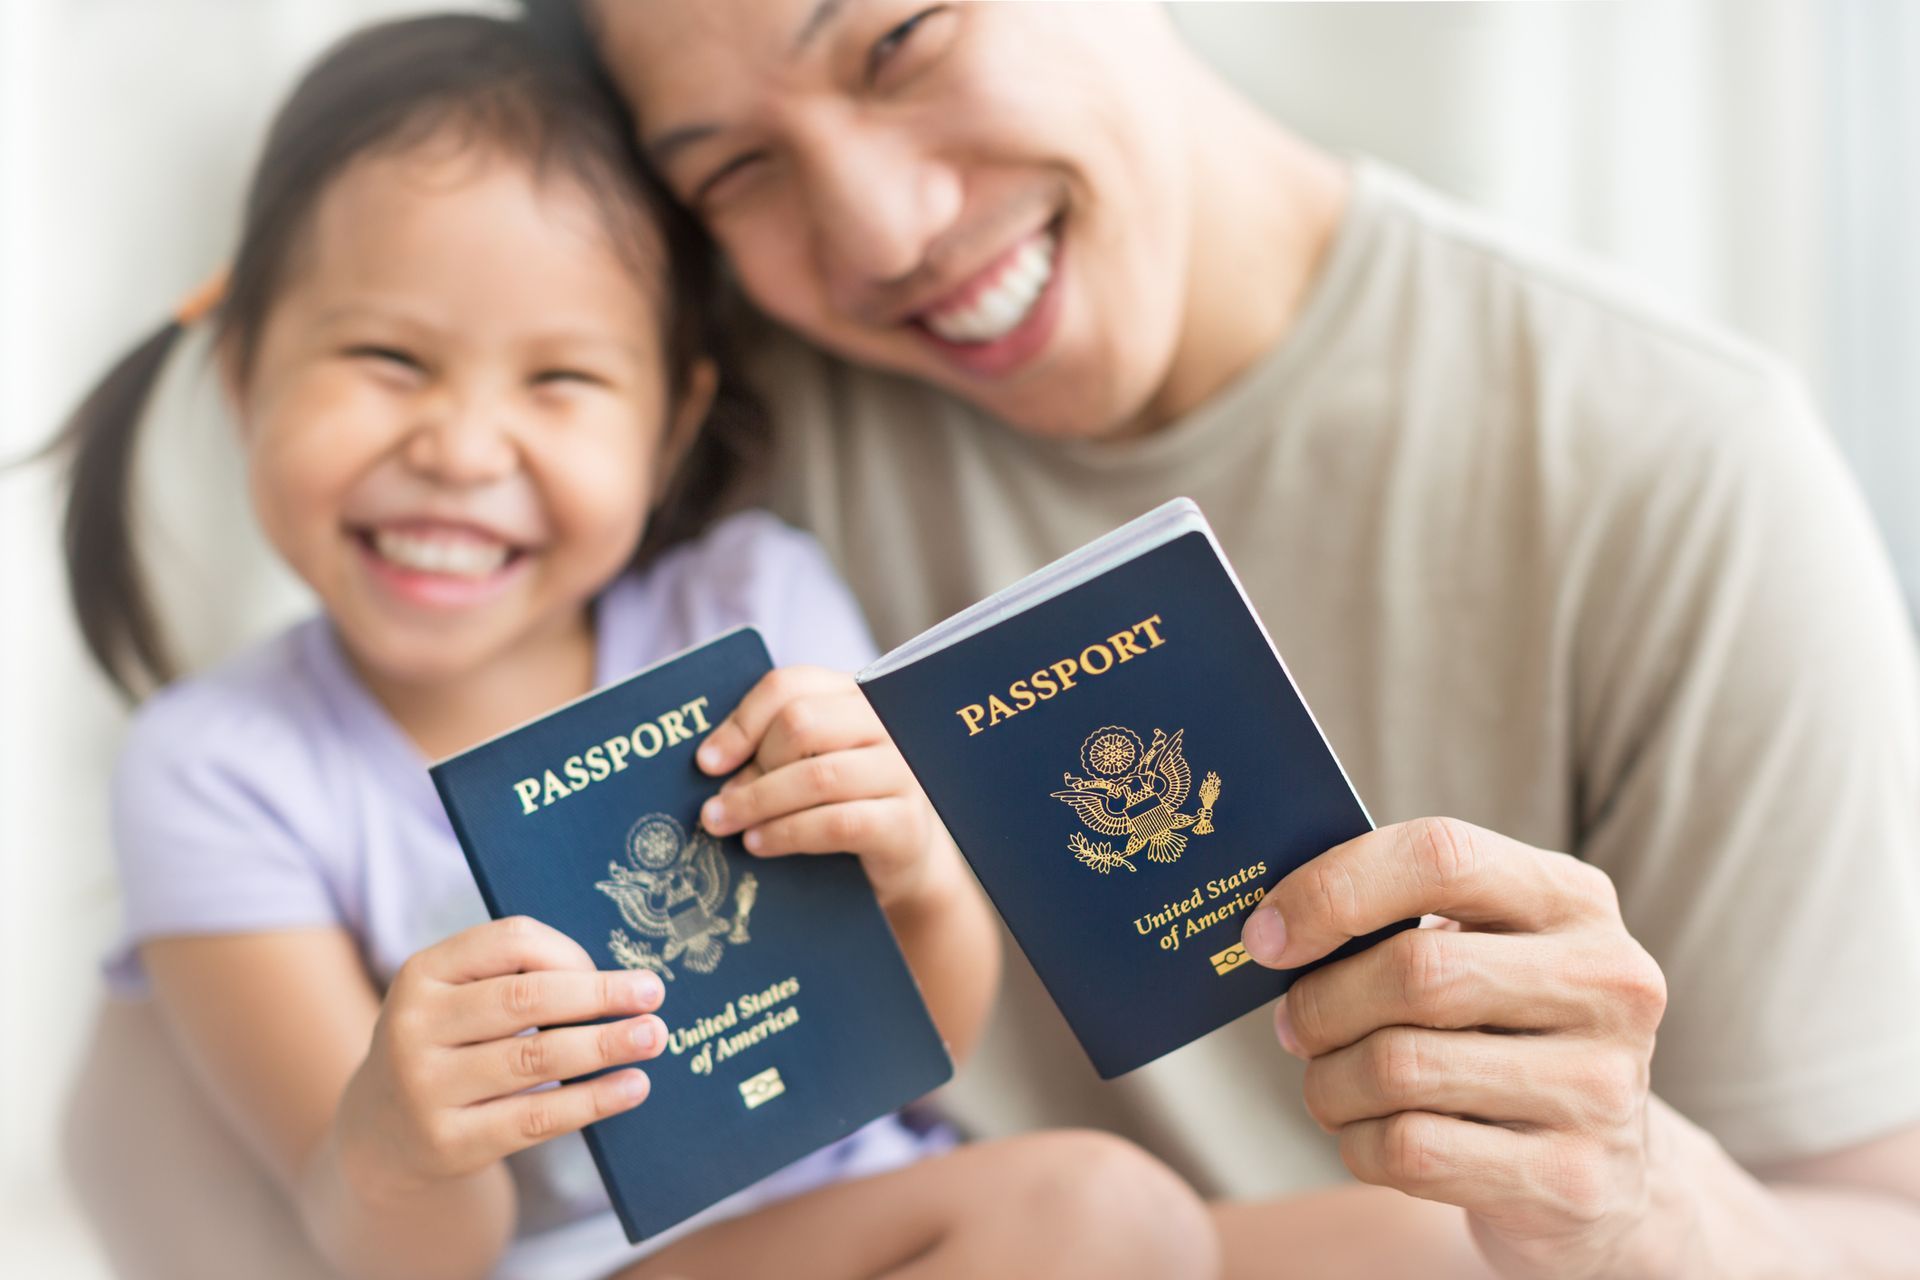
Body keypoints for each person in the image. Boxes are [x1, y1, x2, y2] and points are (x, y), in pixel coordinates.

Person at [562, 1, 1920, 1275]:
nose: (880, 232)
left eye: (905, 38)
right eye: (734, 169)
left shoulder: (1678, 463)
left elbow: (1884, 1223)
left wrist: (1633, 1195)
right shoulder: (669, 434)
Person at [53, 14, 1216, 1280]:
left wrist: (922, 877)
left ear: (671, 431)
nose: (460, 445)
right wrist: (396, 1139)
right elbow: (403, 1255)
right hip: (581, 1261)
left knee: (1406, 1236)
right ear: (241, 375)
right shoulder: (217, 767)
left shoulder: (751, 604)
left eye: (560, 381)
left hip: (891, 1204)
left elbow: (908, 1055)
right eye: (389, 358)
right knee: (1099, 1212)